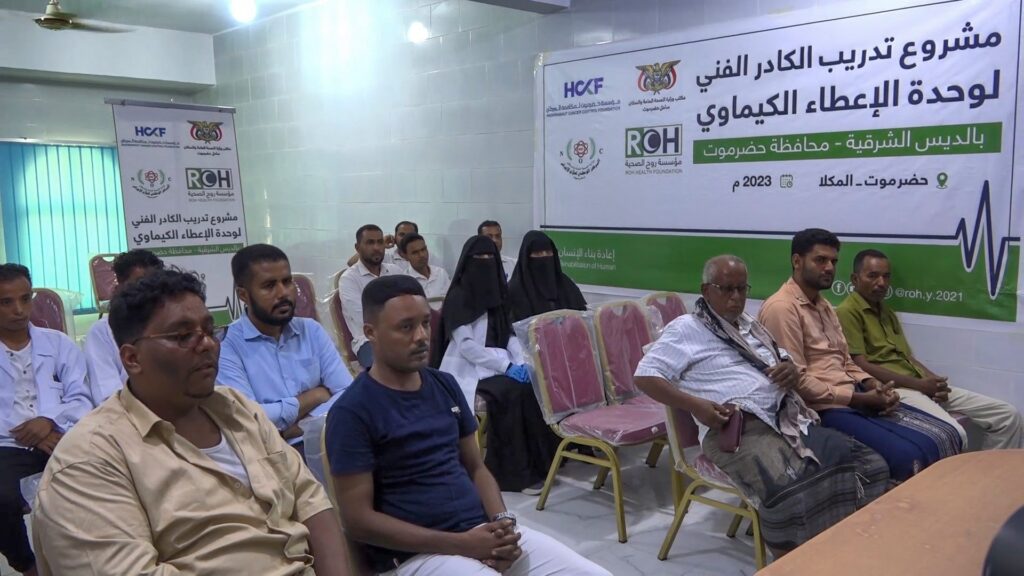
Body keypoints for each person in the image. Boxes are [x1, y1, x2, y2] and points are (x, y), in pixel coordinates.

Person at [31, 269, 351, 576]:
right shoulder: (89, 459)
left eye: (209, 331)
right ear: (132, 358)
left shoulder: (236, 409)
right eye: (183, 336)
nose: (208, 344)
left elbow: (311, 502)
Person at [326, 275, 611, 576]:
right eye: (406, 327)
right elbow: (358, 521)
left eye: (425, 323)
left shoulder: (444, 385)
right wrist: (463, 545)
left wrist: (503, 526)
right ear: (370, 332)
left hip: (480, 532)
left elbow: (476, 467)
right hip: (417, 556)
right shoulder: (352, 412)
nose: (421, 336)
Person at [635, 255, 889, 555]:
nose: (736, 297)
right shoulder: (685, 328)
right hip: (738, 429)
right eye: (726, 289)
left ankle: (847, 545)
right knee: (792, 489)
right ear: (706, 290)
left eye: (742, 289)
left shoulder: (749, 324)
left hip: (786, 417)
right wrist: (696, 405)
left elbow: (783, 358)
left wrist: (790, 370)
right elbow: (645, 376)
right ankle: (802, 560)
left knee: (870, 464)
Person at [758, 229, 962, 481]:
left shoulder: (824, 306)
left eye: (833, 261)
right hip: (820, 409)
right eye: (820, 260)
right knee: (910, 455)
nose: (829, 267)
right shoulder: (782, 308)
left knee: (944, 435)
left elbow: (845, 361)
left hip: (854, 394)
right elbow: (797, 381)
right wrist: (857, 399)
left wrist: (874, 385)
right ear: (797, 261)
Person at [837, 249, 1023, 450]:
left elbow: (907, 357)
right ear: (855, 279)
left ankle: (991, 470)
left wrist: (936, 382)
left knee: (1007, 416)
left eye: (886, 276)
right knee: (955, 433)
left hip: (918, 383)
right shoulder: (847, 312)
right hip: (896, 390)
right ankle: (958, 472)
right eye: (873, 276)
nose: (881, 283)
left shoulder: (886, 312)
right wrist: (920, 385)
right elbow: (860, 364)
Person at [432, 236, 559, 494]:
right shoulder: (458, 297)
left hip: (500, 362)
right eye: (479, 258)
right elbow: (467, 347)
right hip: (468, 368)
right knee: (509, 395)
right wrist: (506, 367)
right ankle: (513, 474)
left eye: (490, 258)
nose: (485, 263)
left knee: (533, 387)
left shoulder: (499, 294)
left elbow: (509, 335)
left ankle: (541, 463)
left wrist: (520, 362)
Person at [0, 264, 91, 576]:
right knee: (1, 499)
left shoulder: (59, 344)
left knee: (100, 483)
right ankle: (28, 565)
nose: (18, 310)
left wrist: (49, 421)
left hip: (61, 437)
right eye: (6, 302)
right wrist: (32, 431)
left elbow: (81, 397)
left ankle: (93, 560)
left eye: (25, 299)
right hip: (7, 446)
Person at [218, 244, 353, 447]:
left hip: (326, 438)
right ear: (243, 295)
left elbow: (347, 393)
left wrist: (300, 427)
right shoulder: (227, 347)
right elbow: (247, 418)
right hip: (268, 453)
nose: (283, 293)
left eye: (287, 282)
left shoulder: (311, 331)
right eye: (269, 285)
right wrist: (315, 396)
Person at [84, 249, 164, 404]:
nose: (148, 293)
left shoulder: (170, 325)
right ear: (119, 287)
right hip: (126, 413)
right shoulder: (101, 332)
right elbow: (107, 396)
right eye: (139, 284)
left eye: (154, 285)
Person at [339, 225, 403, 368]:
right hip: (368, 341)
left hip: (401, 334)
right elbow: (364, 318)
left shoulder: (396, 272)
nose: (376, 247)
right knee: (387, 369)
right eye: (370, 243)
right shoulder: (349, 279)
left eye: (380, 242)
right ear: (357, 248)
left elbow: (409, 305)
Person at [507, 230, 587, 322]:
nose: (544, 257)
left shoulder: (566, 284)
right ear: (526, 258)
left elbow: (583, 316)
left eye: (548, 252)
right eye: (538, 253)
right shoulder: (514, 291)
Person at [398, 232, 450, 309]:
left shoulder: (441, 273)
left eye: (423, 249)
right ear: (405, 256)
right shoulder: (405, 282)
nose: (422, 255)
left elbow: (452, 299)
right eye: (415, 252)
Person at [346, 221, 418, 270]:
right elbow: (351, 263)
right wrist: (381, 243)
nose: (406, 238)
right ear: (395, 237)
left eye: (410, 235)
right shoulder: (385, 258)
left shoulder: (423, 257)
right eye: (402, 234)